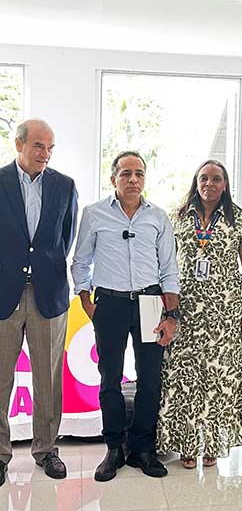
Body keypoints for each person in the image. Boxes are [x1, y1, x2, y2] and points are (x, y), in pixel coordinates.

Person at [72, 151, 180, 482]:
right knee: (110, 378)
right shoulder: (94, 214)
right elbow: (80, 261)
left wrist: (171, 313)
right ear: (113, 179)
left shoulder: (158, 217)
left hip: (149, 303)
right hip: (110, 304)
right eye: (126, 173)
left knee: (150, 379)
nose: (133, 179)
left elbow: (169, 268)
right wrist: (88, 302)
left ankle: (142, 448)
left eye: (139, 174)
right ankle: (114, 448)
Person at [156, 159, 242, 467]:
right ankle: (186, 445)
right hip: (183, 313)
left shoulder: (238, 219)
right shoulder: (178, 216)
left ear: (224, 185)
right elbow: (164, 264)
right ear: (195, 182)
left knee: (217, 379)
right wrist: (166, 308)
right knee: (185, 377)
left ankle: (212, 445)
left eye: (216, 179)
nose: (209, 184)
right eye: (204, 178)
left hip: (224, 316)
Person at [0, 119, 78, 486]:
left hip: (48, 294)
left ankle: (46, 450)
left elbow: (64, 238)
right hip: (4, 295)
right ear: (19, 144)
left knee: (48, 378)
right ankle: (0, 454)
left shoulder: (65, 186)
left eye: (50, 148)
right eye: (38, 146)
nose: (44, 154)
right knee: (0, 379)